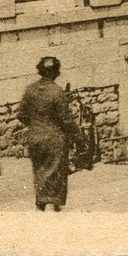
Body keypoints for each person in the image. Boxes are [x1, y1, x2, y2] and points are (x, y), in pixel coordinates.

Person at [17, 56, 82, 212]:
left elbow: (21, 114)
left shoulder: (30, 90)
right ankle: (53, 207)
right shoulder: (57, 92)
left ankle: (40, 204)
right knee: (55, 173)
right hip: (54, 138)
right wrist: (78, 136)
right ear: (56, 73)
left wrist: (35, 124)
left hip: (35, 137)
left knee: (39, 171)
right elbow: (66, 120)